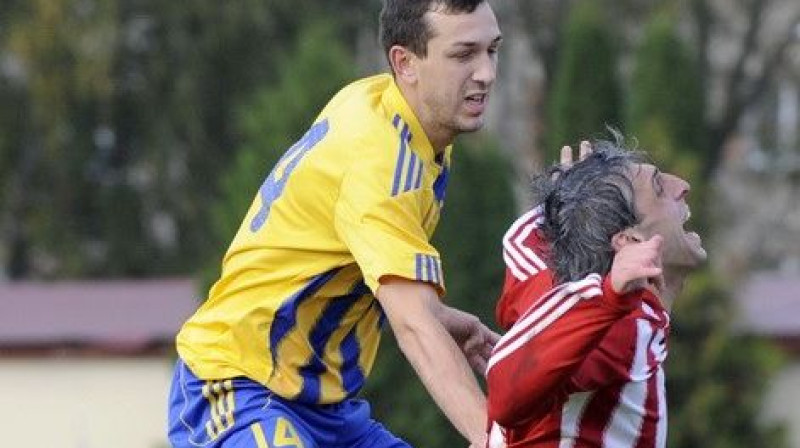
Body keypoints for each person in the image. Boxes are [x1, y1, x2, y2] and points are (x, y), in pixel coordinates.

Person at [167, 1, 503, 447]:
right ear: (404, 63)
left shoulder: (397, 114)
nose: (486, 73)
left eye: (492, 50)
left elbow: (391, 293)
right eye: (463, 55)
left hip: (328, 413)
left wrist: (439, 318)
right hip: (237, 388)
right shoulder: (383, 163)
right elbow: (413, 326)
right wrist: (491, 437)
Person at [485, 138, 707, 447]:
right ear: (629, 241)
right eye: (658, 187)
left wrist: (571, 199)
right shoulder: (621, 325)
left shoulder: (568, 297)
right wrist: (608, 295)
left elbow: (522, 243)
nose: (681, 185)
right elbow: (505, 393)